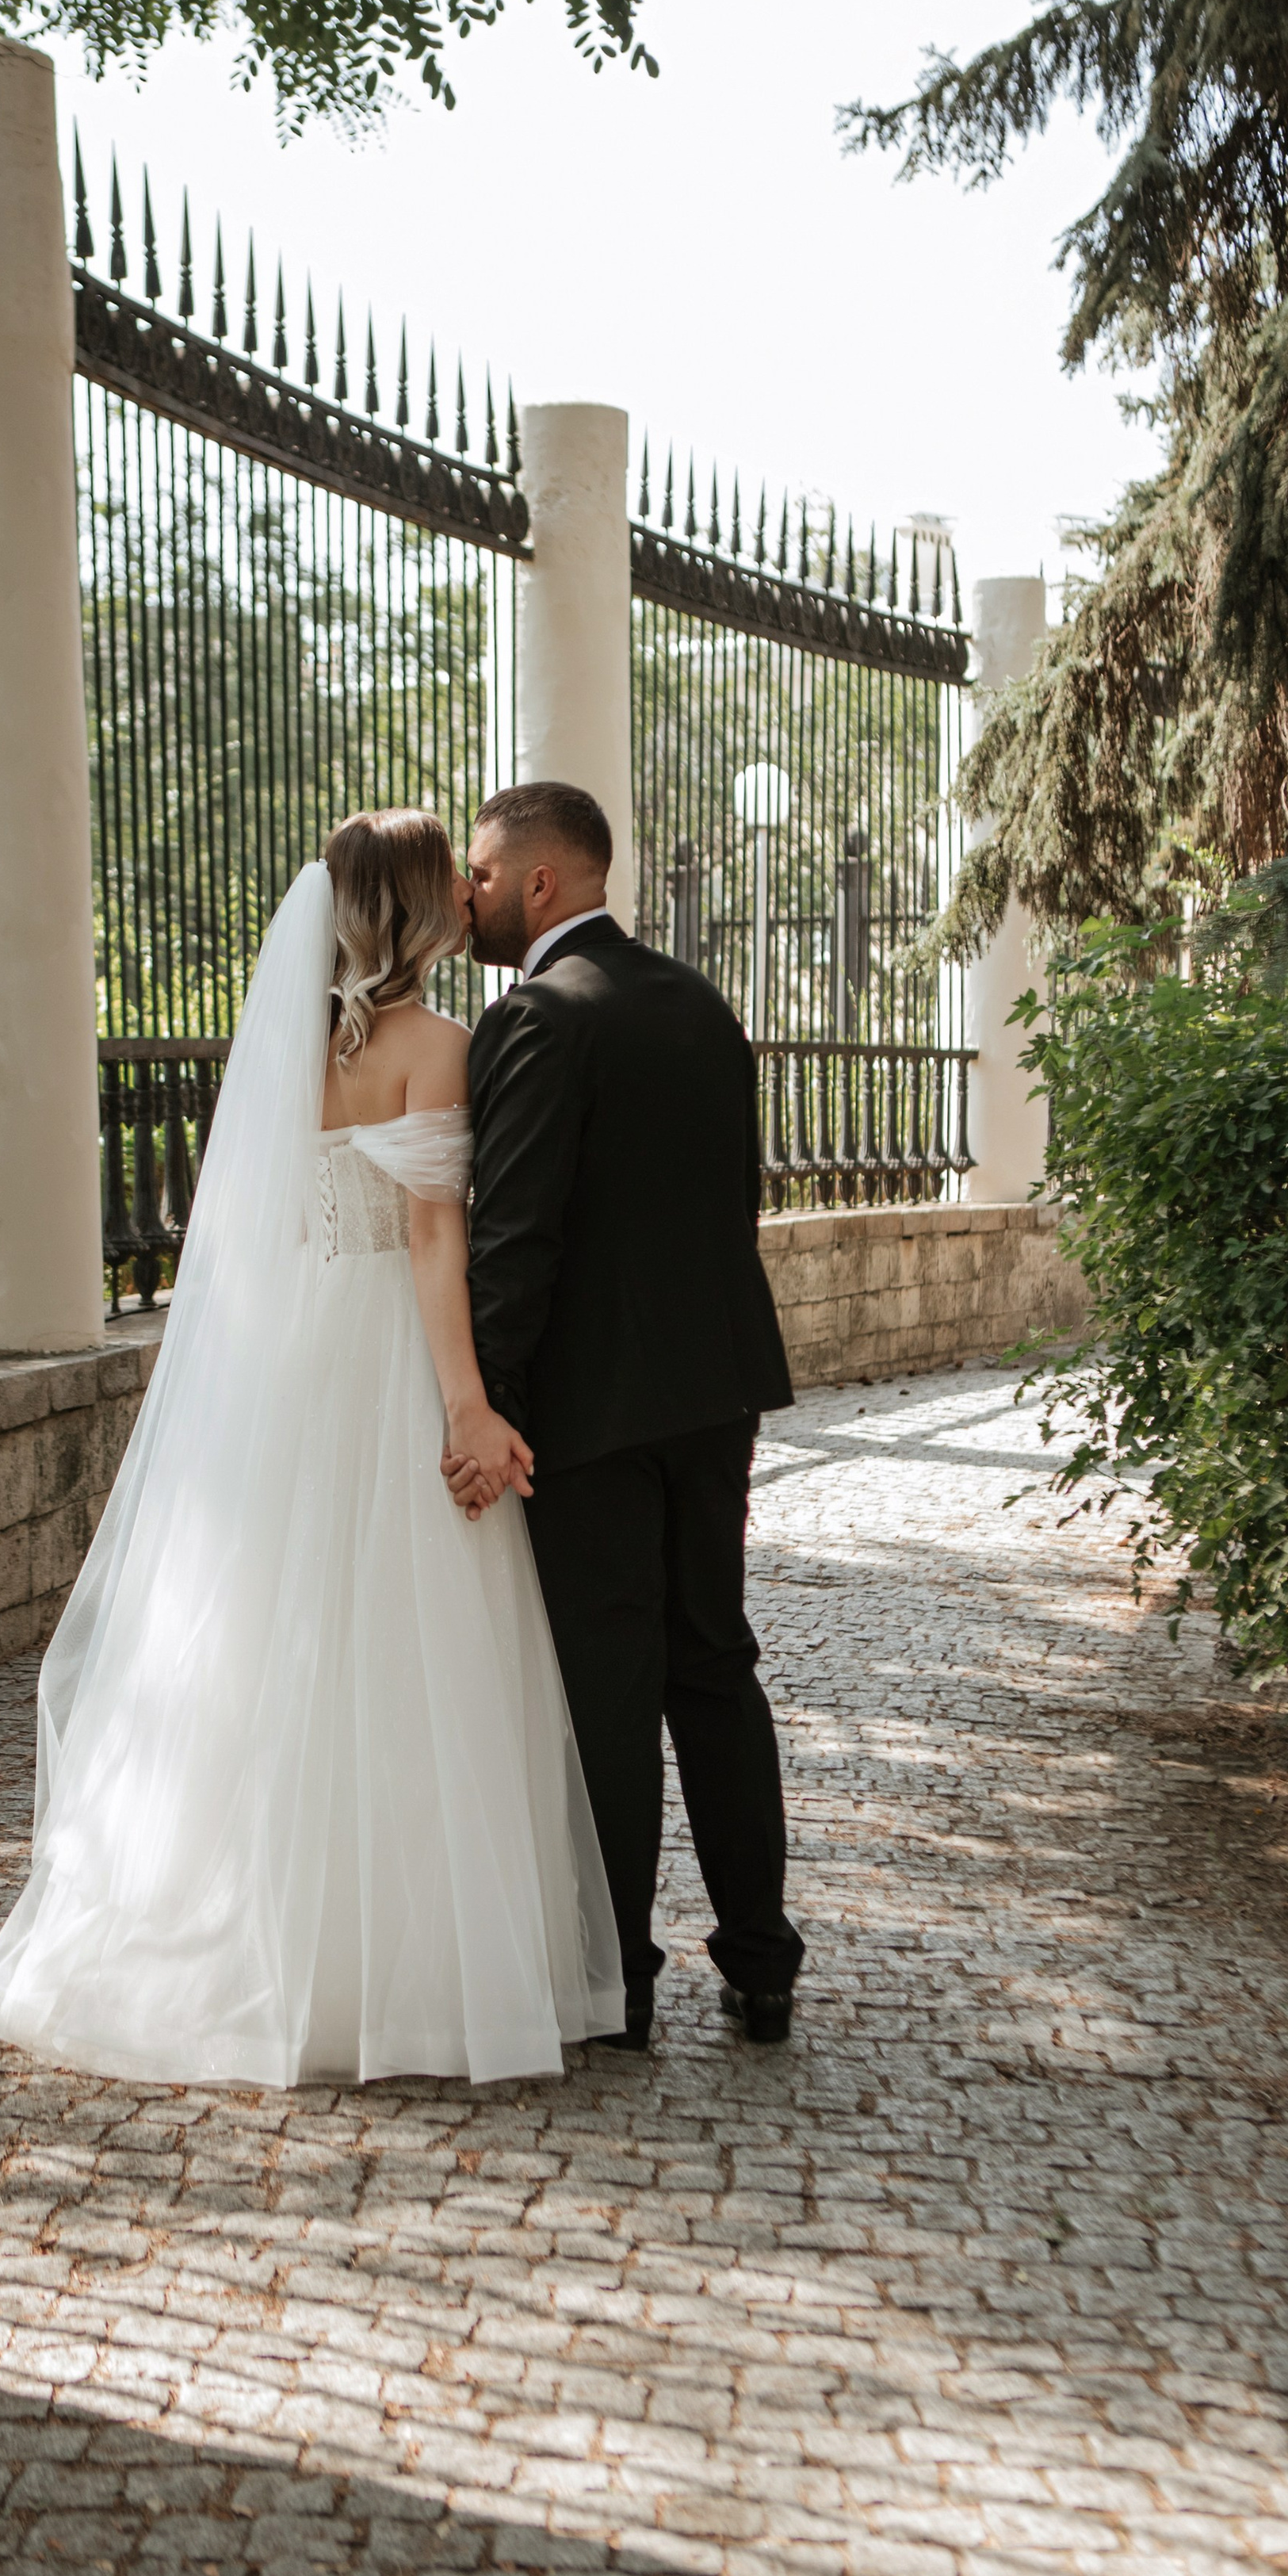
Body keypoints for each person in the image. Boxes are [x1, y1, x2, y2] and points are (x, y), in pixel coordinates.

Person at [0, 810, 624, 2086]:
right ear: (413, 909)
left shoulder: (289, 1050)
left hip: (293, 1354)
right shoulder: (440, 1043)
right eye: (447, 879)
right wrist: (465, 1405)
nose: (461, 894)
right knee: (409, 1646)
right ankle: (406, 1981)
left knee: (278, 1637)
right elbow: (435, 1241)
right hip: (386, 1351)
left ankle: (265, 1946)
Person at [449, 780, 805, 2048]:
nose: (469, 897)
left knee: (608, 1688)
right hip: (715, 1394)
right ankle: (763, 1965)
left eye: (482, 875)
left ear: (542, 883)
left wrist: (483, 1409)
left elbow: (516, 1239)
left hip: (590, 1415)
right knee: (715, 1663)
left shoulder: (541, 1015)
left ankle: (621, 1981)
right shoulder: (700, 1003)